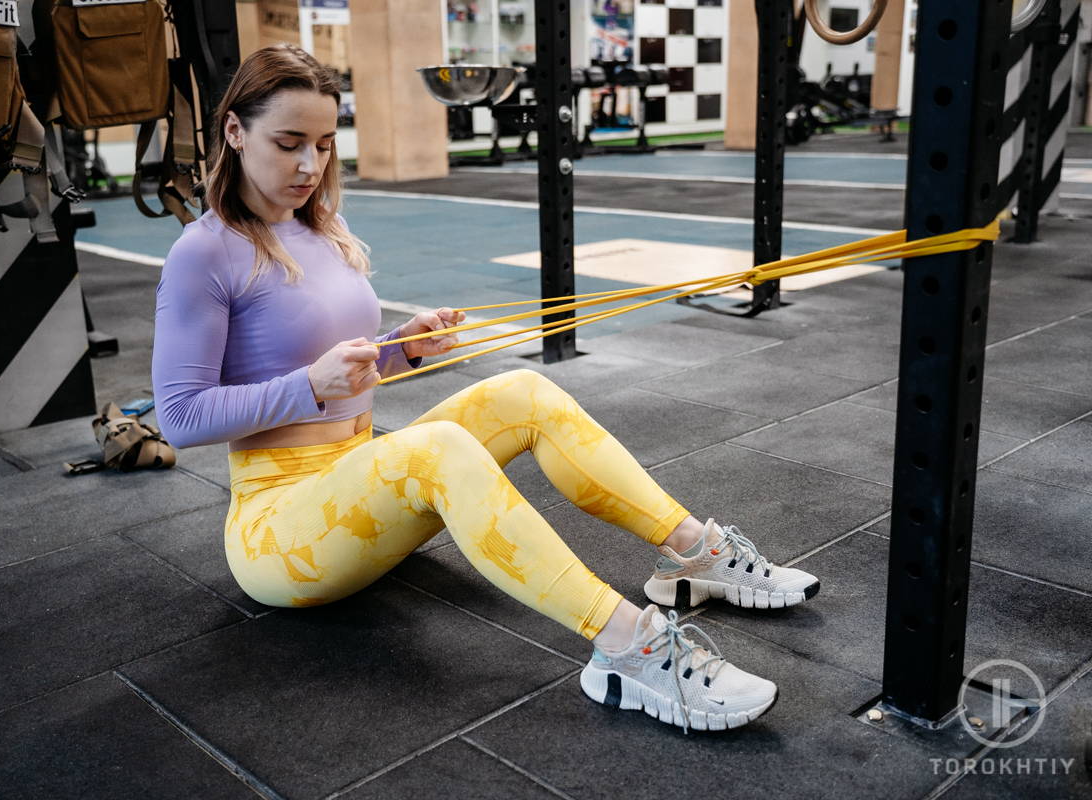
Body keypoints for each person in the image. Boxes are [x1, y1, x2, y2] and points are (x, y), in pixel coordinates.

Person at [152, 44, 821, 734]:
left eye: (323, 145)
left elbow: (342, 368)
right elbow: (179, 418)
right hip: (279, 533)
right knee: (438, 447)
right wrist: (305, 387)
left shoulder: (324, 227)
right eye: (288, 143)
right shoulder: (203, 252)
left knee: (524, 390)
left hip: (351, 487)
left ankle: (691, 552)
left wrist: (402, 347)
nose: (309, 166)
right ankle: (627, 646)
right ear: (233, 131)